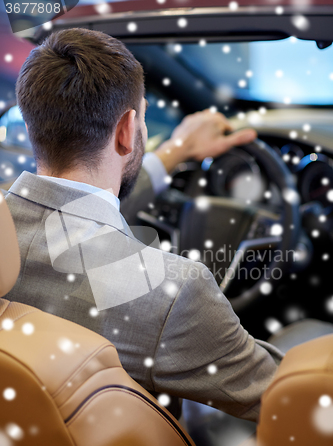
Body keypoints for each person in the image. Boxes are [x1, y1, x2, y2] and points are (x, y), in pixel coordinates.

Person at [4, 27, 283, 422]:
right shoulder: (172, 293)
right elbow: (290, 396)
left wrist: (174, 153)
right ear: (126, 129)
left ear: (32, 126)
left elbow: (68, 207)